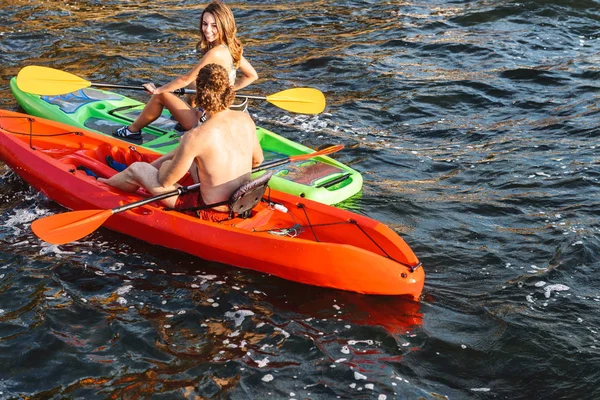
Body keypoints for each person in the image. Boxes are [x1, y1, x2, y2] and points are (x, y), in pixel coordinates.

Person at [100, 63, 264, 221]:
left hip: (207, 211)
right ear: (228, 89)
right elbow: (258, 160)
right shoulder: (245, 119)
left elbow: (166, 182)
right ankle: (144, 171)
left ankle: (103, 184)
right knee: (191, 156)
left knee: (138, 169)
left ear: (199, 93)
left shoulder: (196, 136)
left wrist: (165, 167)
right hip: (241, 203)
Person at [114, 0, 258, 141]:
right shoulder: (231, 48)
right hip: (219, 109)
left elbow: (185, 78)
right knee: (194, 83)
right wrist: (229, 89)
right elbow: (252, 75)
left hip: (208, 122)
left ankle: (132, 131)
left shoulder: (215, 53)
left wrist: (158, 90)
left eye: (214, 26)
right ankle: (188, 117)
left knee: (161, 97)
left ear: (225, 26)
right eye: (205, 24)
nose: (207, 30)